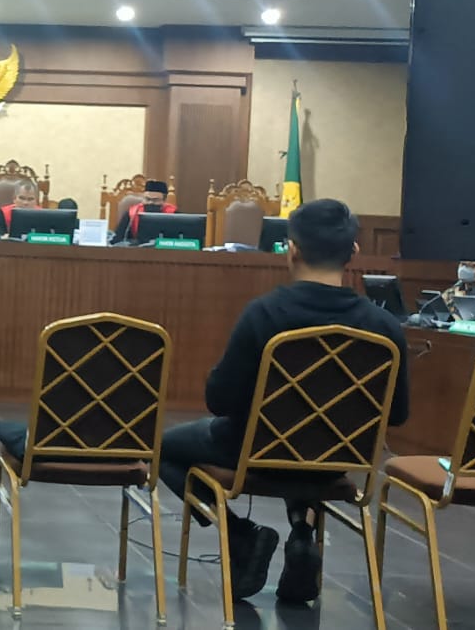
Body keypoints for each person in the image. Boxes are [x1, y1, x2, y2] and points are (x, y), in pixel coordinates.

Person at [153, 198, 409, 605]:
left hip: (254, 454)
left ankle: (239, 534)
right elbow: (396, 414)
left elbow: (220, 400)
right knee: (308, 435)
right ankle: (302, 533)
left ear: (291, 249)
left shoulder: (264, 314)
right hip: (337, 460)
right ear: (354, 252)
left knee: (161, 447)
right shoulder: (385, 327)